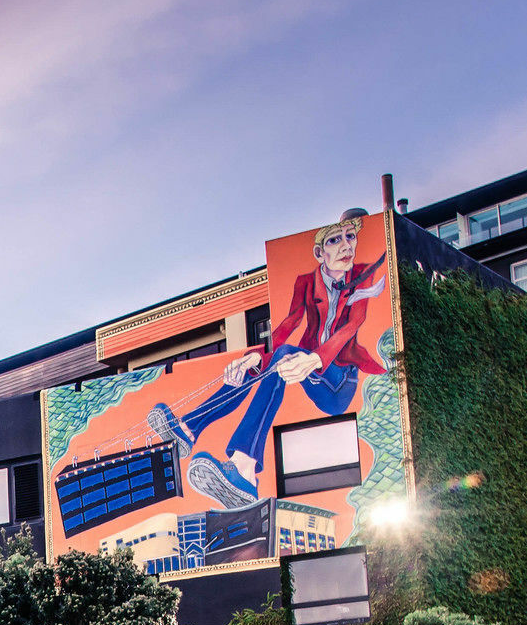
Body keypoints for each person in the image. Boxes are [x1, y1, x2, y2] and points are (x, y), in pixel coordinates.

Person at [151, 211, 387, 508]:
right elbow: (288, 324)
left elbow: (353, 325)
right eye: (335, 239)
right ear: (320, 251)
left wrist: (314, 359)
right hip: (307, 366)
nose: (346, 246)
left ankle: (244, 467)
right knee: (263, 366)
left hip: (339, 383)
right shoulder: (306, 281)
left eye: (350, 237)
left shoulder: (365, 274)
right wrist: (254, 359)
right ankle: (189, 430)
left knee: (285, 357)